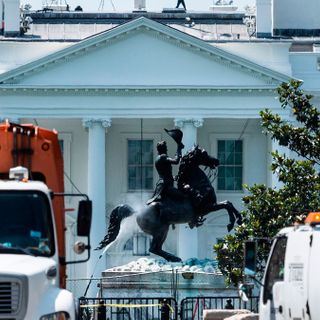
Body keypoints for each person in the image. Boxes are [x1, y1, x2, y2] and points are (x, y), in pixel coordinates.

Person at [147, 140, 184, 205]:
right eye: (166, 147)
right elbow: (176, 161)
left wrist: (173, 177)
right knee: (184, 197)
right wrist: (179, 148)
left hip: (162, 184)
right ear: (164, 149)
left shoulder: (157, 158)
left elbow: (164, 173)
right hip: (166, 186)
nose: (167, 149)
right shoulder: (163, 157)